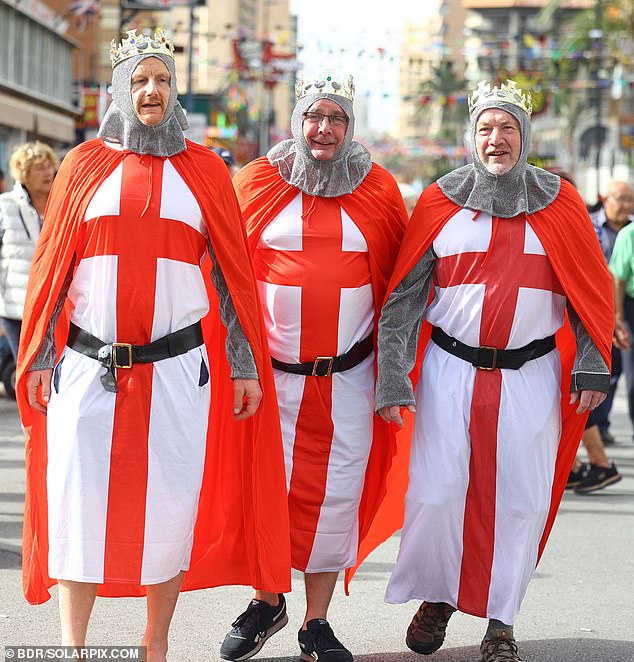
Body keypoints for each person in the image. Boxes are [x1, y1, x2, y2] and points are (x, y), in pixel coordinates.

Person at [16, 28, 290, 661]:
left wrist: (244, 366)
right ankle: (73, 648)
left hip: (175, 368)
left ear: (175, 91)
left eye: (162, 80)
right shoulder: (84, 164)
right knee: (76, 505)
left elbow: (231, 276)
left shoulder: (204, 170)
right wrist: (37, 356)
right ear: (119, 89)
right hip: (87, 364)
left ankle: (155, 642)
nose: (151, 91)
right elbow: (54, 266)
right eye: (139, 80)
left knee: (170, 505)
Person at [375, 80, 612, 662]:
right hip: (448, 369)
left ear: (524, 136)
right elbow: (404, 295)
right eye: (486, 128)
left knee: (520, 501)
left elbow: (590, 289)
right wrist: (393, 375)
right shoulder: (440, 199)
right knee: (435, 493)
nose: (496, 139)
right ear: (471, 137)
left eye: (507, 128)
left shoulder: (559, 202)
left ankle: (502, 622)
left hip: (529, 373)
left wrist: (590, 362)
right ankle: (437, 596)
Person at [219, 74, 408, 662]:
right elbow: (225, 277)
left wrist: (393, 374)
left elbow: (402, 288)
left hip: (348, 377)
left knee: (335, 497)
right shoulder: (256, 184)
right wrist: (237, 362)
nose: (323, 129)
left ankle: (315, 622)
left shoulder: (377, 189)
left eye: (336, 119)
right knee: (269, 492)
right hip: (271, 378)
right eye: (314, 117)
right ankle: (266, 600)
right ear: (297, 122)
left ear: (350, 127)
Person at [0, 142, 58, 361]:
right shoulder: (5, 205)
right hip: (15, 309)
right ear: (24, 174)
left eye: (48, 166)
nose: (47, 172)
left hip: (53, 308)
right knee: (24, 374)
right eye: (39, 168)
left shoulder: (61, 205)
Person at [589, 180, 634, 444]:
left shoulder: (629, 231)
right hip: (597, 305)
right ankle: (599, 423)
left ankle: (601, 424)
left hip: (622, 304)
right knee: (606, 367)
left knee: (619, 365)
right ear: (606, 199)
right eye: (621, 199)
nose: (626, 206)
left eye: (630, 200)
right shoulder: (590, 225)